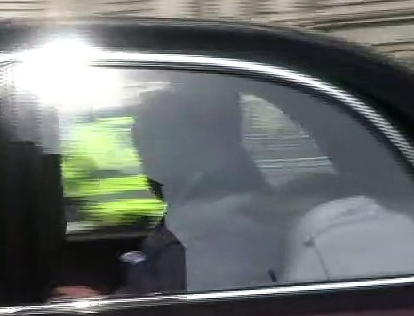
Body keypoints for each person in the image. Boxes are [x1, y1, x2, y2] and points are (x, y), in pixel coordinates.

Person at [55, 79, 284, 299]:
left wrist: (99, 306)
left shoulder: (223, 221)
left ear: (186, 148)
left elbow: (170, 311)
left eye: (148, 148)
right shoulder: (199, 206)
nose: (145, 166)